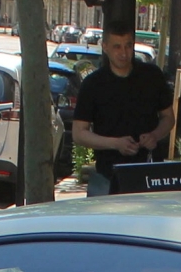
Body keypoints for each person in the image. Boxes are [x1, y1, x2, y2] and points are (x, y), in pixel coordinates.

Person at [70, 29, 173, 196]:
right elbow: (79, 133)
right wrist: (116, 144)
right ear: (105, 47)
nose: (123, 53)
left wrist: (155, 135)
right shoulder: (93, 84)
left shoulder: (152, 76)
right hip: (108, 176)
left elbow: (168, 118)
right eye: (117, 47)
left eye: (128, 46)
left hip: (150, 173)